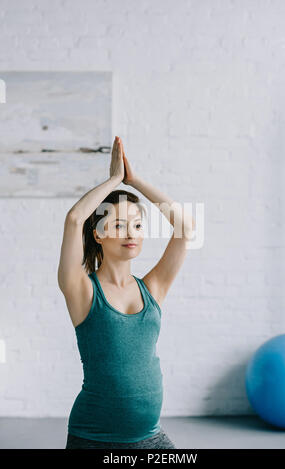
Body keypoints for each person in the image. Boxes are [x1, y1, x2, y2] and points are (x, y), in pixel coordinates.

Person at [58, 136, 195, 449]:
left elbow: (185, 228)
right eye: (118, 225)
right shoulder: (82, 290)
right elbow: (74, 219)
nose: (130, 234)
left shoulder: (152, 288)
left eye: (136, 225)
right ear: (98, 233)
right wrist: (114, 181)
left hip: (151, 437)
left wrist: (135, 182)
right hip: (94, 439)